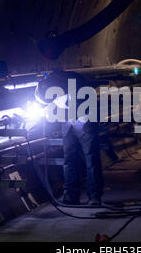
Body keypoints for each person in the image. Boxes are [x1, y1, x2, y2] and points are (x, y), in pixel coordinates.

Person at [35, 69, 103, 205]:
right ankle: (71, 196)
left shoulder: (71, 87)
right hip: (68, 119)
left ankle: (94, 196)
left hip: (85, 117)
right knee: (70, 158)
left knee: (91, 158)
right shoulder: (50, 85)